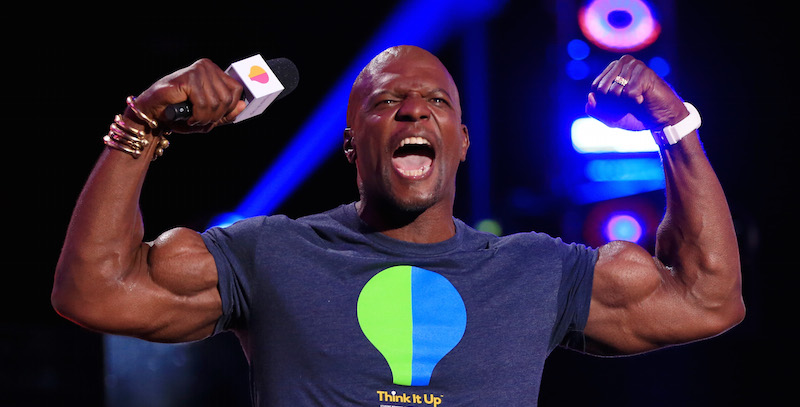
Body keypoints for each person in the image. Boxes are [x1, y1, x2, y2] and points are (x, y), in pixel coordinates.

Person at [52, 45, 744, 405]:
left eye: (435, 100)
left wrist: (676, 127)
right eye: (389, 102)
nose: (414, 111)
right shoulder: (272, 252)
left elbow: (709, 297)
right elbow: (95, 290)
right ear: (353, 145)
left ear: (462, 141)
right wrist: (140, 122)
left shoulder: (537, 269)